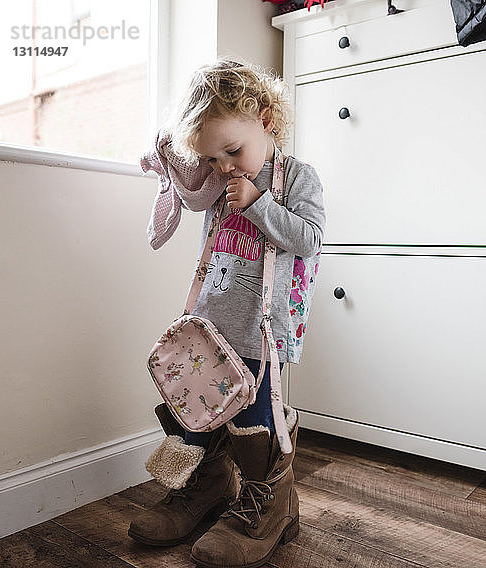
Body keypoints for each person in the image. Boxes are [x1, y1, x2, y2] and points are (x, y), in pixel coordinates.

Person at [128, 60, 325, 568]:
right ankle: (204, 486)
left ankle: (268, 505)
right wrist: (175, 154)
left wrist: (258, 202)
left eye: (232, 152)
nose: (224, 168)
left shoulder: (297, 178)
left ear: (266, 118)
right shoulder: (217, 182)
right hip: (211, 328)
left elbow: (308, 239)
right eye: (213, 158)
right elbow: (190, 188)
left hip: (262, 334)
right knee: (192, 408)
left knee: (256, 421)